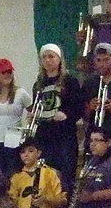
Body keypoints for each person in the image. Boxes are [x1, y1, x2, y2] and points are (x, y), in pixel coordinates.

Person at [30, 44, 85, 196]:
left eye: (51, 57)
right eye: (45, 57)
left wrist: (67, 115)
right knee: (45, 175)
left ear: (59, 59)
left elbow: (79, 108)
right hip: (45, 136)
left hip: (64, 136)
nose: (48, 61)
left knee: (65, 177)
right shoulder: (39, 84)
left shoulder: (69, 81)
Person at [8, 139, 66, 208]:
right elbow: (12, 202)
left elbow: (62, 200)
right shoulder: (16, 177)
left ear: (38, 153)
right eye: (22, 152)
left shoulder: (50, 173)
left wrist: (45, 200)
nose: (26, 155)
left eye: (30, 151)